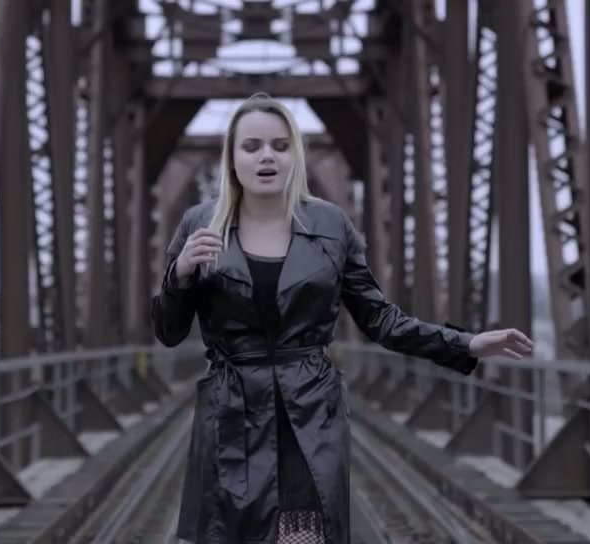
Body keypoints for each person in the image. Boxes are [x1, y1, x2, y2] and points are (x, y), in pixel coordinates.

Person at [151, 93, 534, 544]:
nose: (267, 156)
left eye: (280, 145)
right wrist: (180, 274)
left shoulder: (331, 225)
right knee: (230, 531)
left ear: (295, 154)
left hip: (310, 408)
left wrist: (466, 344)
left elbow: (380, 319)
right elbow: (169, 332)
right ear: (232, 159)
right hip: (232, 410)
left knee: (304, 534)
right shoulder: (200, 223)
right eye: (251, 146)